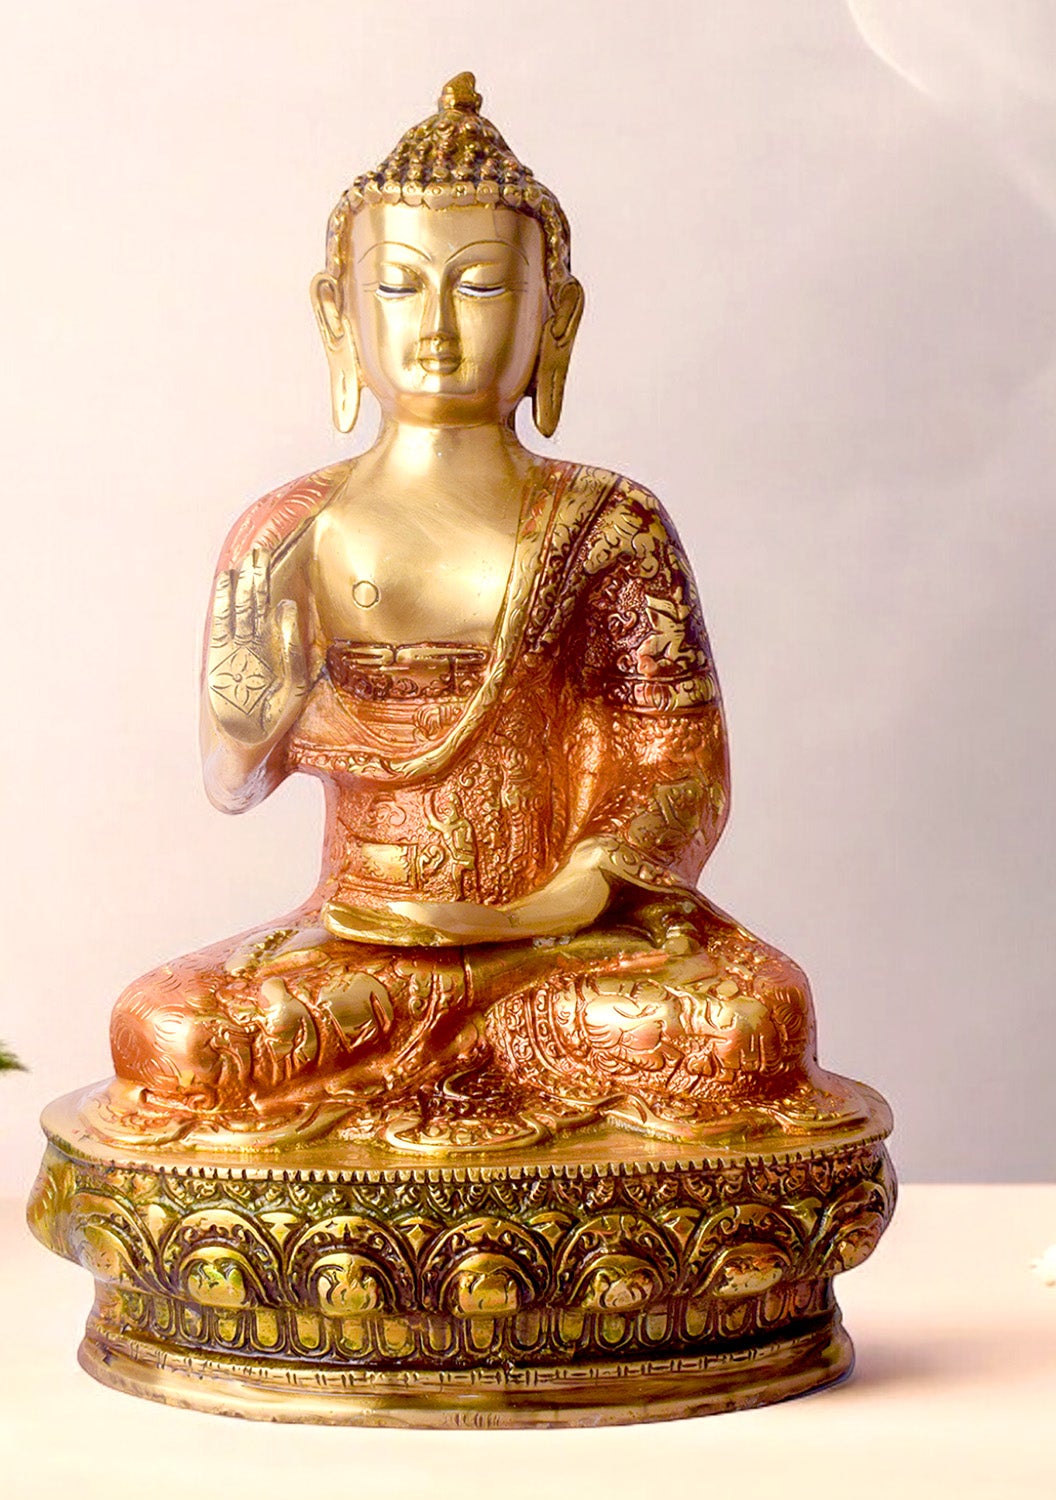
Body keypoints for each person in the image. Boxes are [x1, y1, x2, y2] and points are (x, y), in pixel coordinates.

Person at [96, 75, 874, 1154]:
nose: (438, 326)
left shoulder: (608, 522)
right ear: (337, 312)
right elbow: (232, 782)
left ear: (556, 314)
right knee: (174, 1031)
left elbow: (677, 766)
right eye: (400, 286)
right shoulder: (291, 530)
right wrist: (252, 708)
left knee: (748, 1020)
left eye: (481, 286)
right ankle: (459, 1046)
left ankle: (489, 1039)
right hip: (368, 944)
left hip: (562, 945)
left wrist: (543, 908)